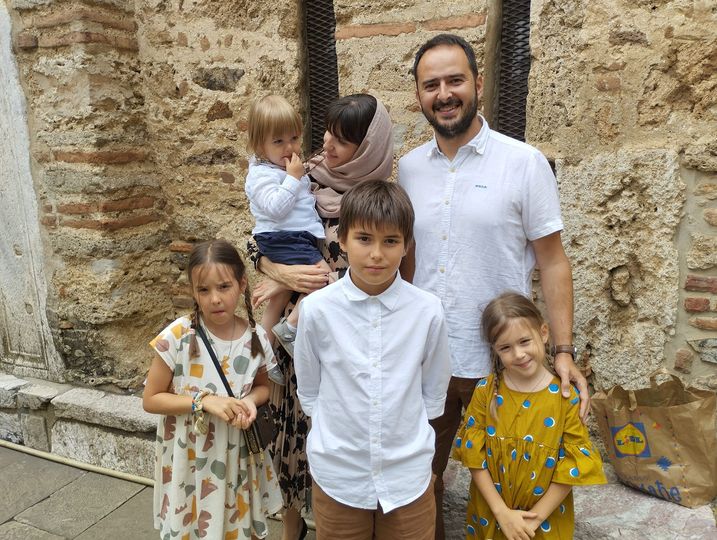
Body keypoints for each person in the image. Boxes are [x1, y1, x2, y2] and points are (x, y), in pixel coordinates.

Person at [398, 33, 588, 539]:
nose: (444, 94)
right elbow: (407, 262)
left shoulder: (523, 162)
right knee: (420, 483)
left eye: (455, 80)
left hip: (501, 362)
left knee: (510, 489)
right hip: (427, 359)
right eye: (431, 85)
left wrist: (563, 350)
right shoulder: (409, 169)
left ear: (478, 83)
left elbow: (553, 261)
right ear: (418, 95)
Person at [250, 94, 393, 540]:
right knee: (291, 435)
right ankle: (292, 528)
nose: (327, 144)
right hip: (294, 344)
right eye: (328, 131)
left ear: (367, 148)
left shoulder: (381, 201)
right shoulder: (304, 175)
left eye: (343, 140)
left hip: (348, 345)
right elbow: (258, 239)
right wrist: (279, 273)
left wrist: (298, 282)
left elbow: (380, 274)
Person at [294, 180, 451, 540]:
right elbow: (311, 390)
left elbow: (432, 392)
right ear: (342, 239)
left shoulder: (427, 312)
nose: (377, 254)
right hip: (340, 476)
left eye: (390, 241)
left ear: (407, 245)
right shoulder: (317, 310)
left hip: (407, 476)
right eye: (364, 239)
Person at [143, 239, 282, 539]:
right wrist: (203, 402)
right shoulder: (177, 336)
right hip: (191, 458)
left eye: (224, 287)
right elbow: (151, 399)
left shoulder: (256, 338)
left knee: (235, 525)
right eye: (204, 290)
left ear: (242, 284)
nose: (215, 299)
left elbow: (264, 388)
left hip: (237, 455)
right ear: (193, 292)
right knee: (193, 525)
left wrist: (249, 402)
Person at [453, 292, 606, 539]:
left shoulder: (565, 398)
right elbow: (474, 456)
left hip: (543, 523)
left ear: (543, 333)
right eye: (506, 347)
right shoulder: (485, 392)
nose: (519, 354)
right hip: (491, 515)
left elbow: (572, 466)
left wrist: (532, 522)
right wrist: (502, 513)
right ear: (495, 349)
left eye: (525, 341)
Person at [245, 95, 332, 360]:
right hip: (286, 238)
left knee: (277, 301)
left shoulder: (283, 169)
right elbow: (276, 208)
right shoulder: (262, 175)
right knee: (325, 280)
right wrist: (294, 179)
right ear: (259, 145)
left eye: (294, 138)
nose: (289, 147)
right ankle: (291, 327)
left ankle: (263, 355)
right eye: (278, 141)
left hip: (291, 237)